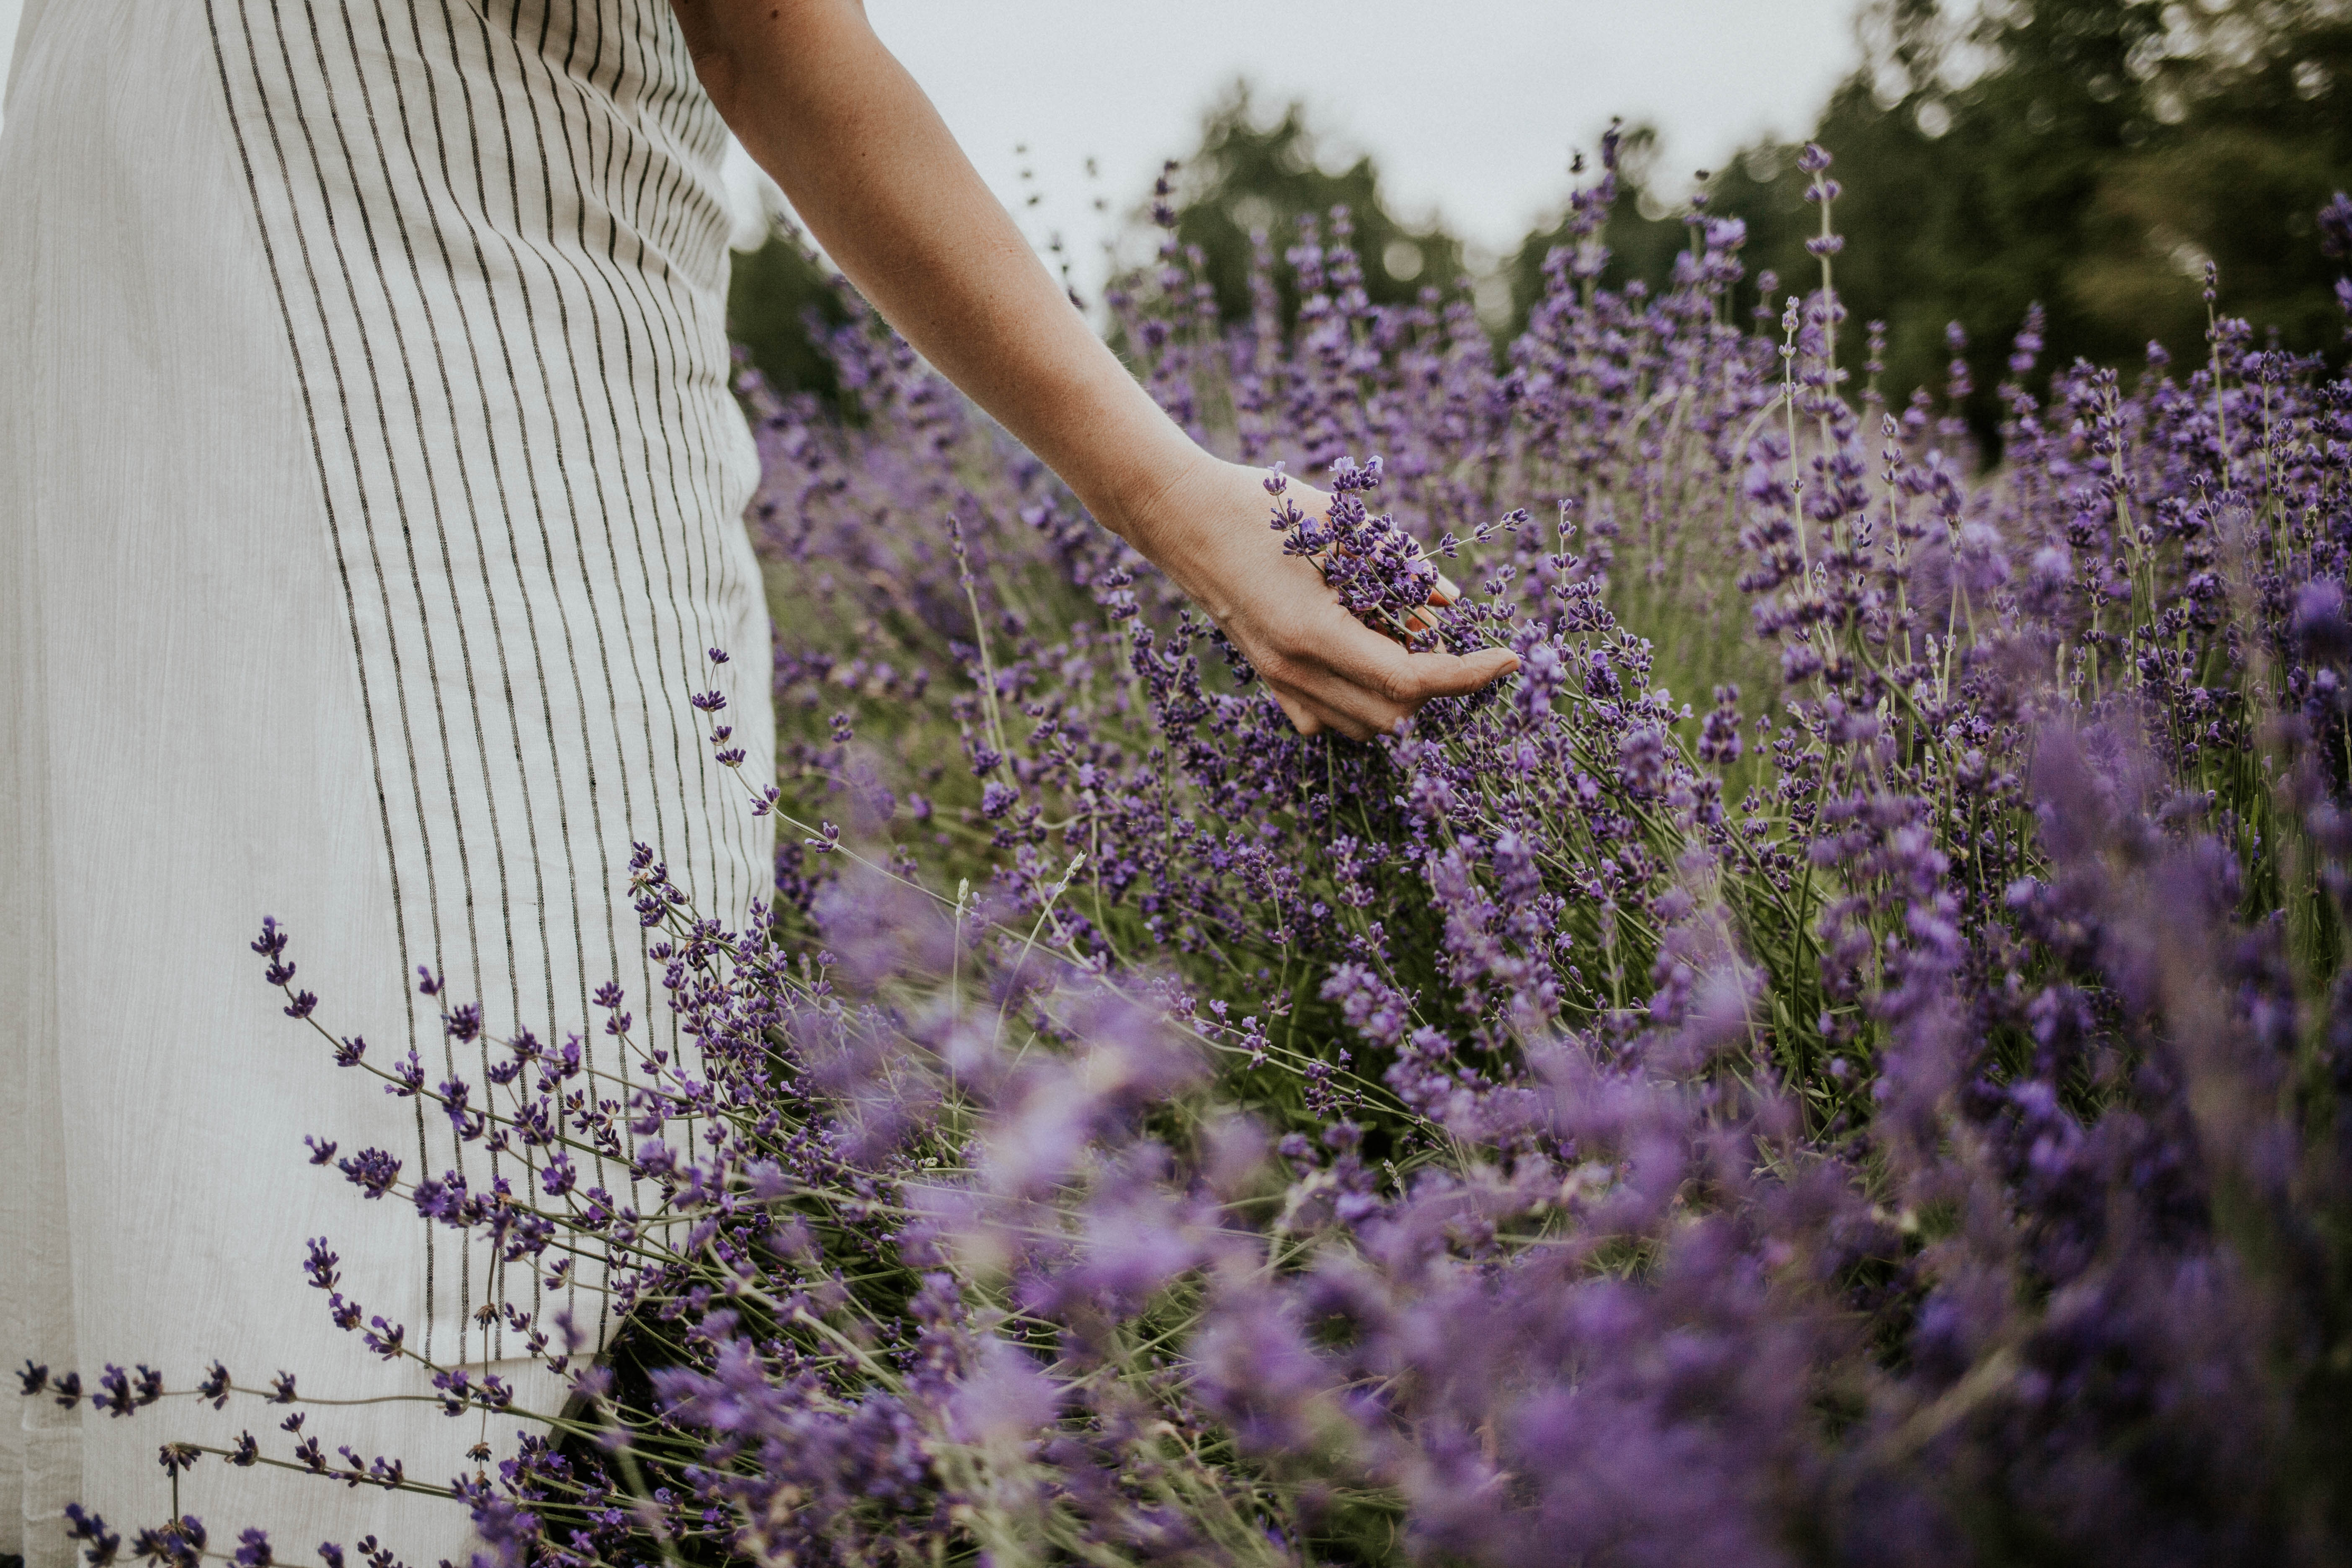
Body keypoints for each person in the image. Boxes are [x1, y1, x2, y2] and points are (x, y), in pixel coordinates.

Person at [0, 2, 1517, 1563]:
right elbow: (769, 34)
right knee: (471, 1072)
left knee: (206, 1003)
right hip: (384, 302)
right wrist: (1181, 499)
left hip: (172, 223)